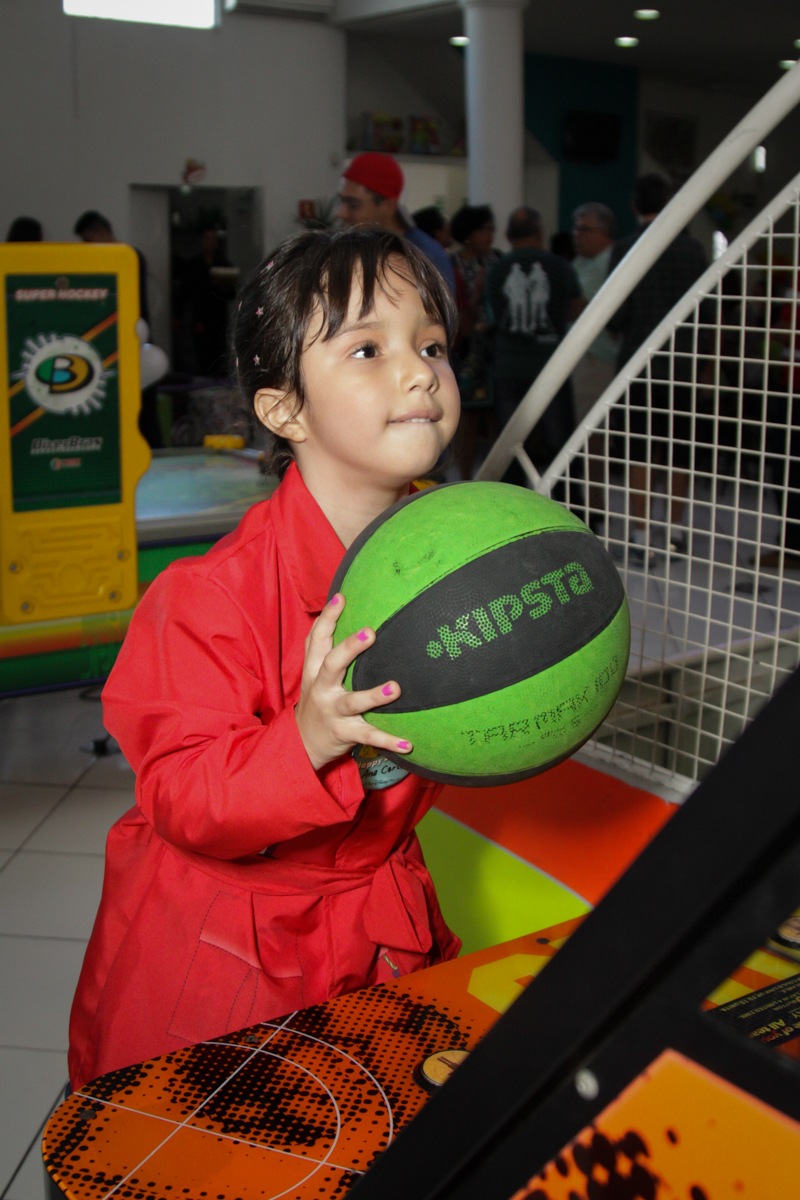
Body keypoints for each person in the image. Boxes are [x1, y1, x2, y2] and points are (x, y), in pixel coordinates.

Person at [68, 228, 462, 1091]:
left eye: (431, 344)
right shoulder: (206, 596)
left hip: (381, 933)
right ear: (286, 412)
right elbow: (180, 792)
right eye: (368, 348)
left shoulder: (453, 558)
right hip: (229, 964)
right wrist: (307, 739)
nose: (420, 370)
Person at [607, 174, 708, 563]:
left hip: (638, 365)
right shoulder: (693, 250)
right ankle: (676, 533)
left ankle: (642, 535)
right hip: (683, 365)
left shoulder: (628, 248)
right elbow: (707, 312)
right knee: (679, 452)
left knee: (640, 453)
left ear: (635, 205)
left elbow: (617, 315)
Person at [486, 206, 583, 474]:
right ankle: (567, 509)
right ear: (540, 232)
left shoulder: (496, 269)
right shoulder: (560, 267)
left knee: (510, 448)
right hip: (550, 365)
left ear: (507, 235)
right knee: (560, 447)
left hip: (508, 366)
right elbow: (576, 308)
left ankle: (512, 511)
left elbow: (492, 311)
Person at [337, 152, 456, 294]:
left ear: (388, 206)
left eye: (353, 204)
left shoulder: (427, 257)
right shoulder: (349, 250)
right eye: (342, 202)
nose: (341, 213)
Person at [449, 204, 498, 478]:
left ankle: (495, 477)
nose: (489, 235)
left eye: (492, 230)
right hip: (467, 350)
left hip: (494, 347)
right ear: (469, 233)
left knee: (495, 416)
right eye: (483, 230)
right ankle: (466, 477)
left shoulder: (498, 260)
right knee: (467, 416)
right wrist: (477, 292)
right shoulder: (454, 263)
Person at [571, 203, 619, 423]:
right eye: (576, 229)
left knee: (592, 427)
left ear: (603, 232)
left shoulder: (612, 260)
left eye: (584, 229)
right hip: (582, 356)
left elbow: (581, 308)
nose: (577, 235)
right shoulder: (581, 261)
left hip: (598, 356)